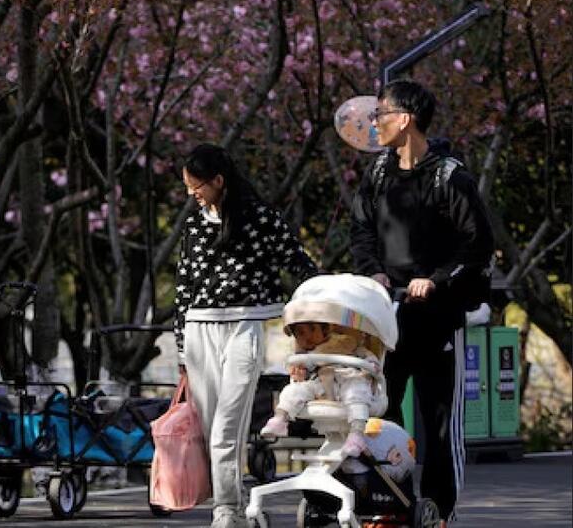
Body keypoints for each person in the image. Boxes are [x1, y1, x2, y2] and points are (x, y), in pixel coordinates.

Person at [350, 79, 493, 525]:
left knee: (438, 422)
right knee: (380, 414)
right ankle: (387, 501)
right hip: (386, 317)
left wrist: (433, 280)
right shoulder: (376, 173)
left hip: (436, 318)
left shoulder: (450, 176)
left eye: (381, 115)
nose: (374, 124)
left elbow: (477, 246)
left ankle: (438, 510)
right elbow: (361, 229)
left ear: (405, 119)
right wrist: (372, 268)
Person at [174, 143, 318, 528]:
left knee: (226, 428)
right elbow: (183, 288)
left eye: (197, 186)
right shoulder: (193, 225)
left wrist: (310, 323)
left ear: (219, 181)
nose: (192, 194)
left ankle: (226, 512)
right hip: (199, 330)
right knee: (210, 432)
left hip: (246, 326)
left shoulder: (261, 220)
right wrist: (181, 351)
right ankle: (234, 508)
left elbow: (301, 265)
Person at [259, 321, 383, 456]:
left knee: (357, 391)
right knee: (294, 390)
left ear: (324, 329)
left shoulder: (347, 343)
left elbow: (367, 356)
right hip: (320, 388)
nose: (308, 336)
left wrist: (372, 363)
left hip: (348, 379)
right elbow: (301, 374)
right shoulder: (307, 355)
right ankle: (280, 419)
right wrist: (299, 372)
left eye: (313, 330)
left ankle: (356, 434)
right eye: (300, 333)